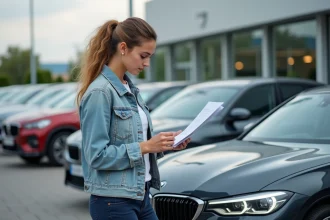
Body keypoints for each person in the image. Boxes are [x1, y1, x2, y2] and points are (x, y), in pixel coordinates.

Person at [76, 17, 190, 220]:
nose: (147, 64)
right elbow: (96, 155)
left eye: (150, 57)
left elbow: (132, 141)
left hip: (141, 195)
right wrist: (146, 146)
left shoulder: (130, 89)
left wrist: (164, 144)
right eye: (143, 56)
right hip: (113, 201)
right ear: (123, 48)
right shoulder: (100, 93)